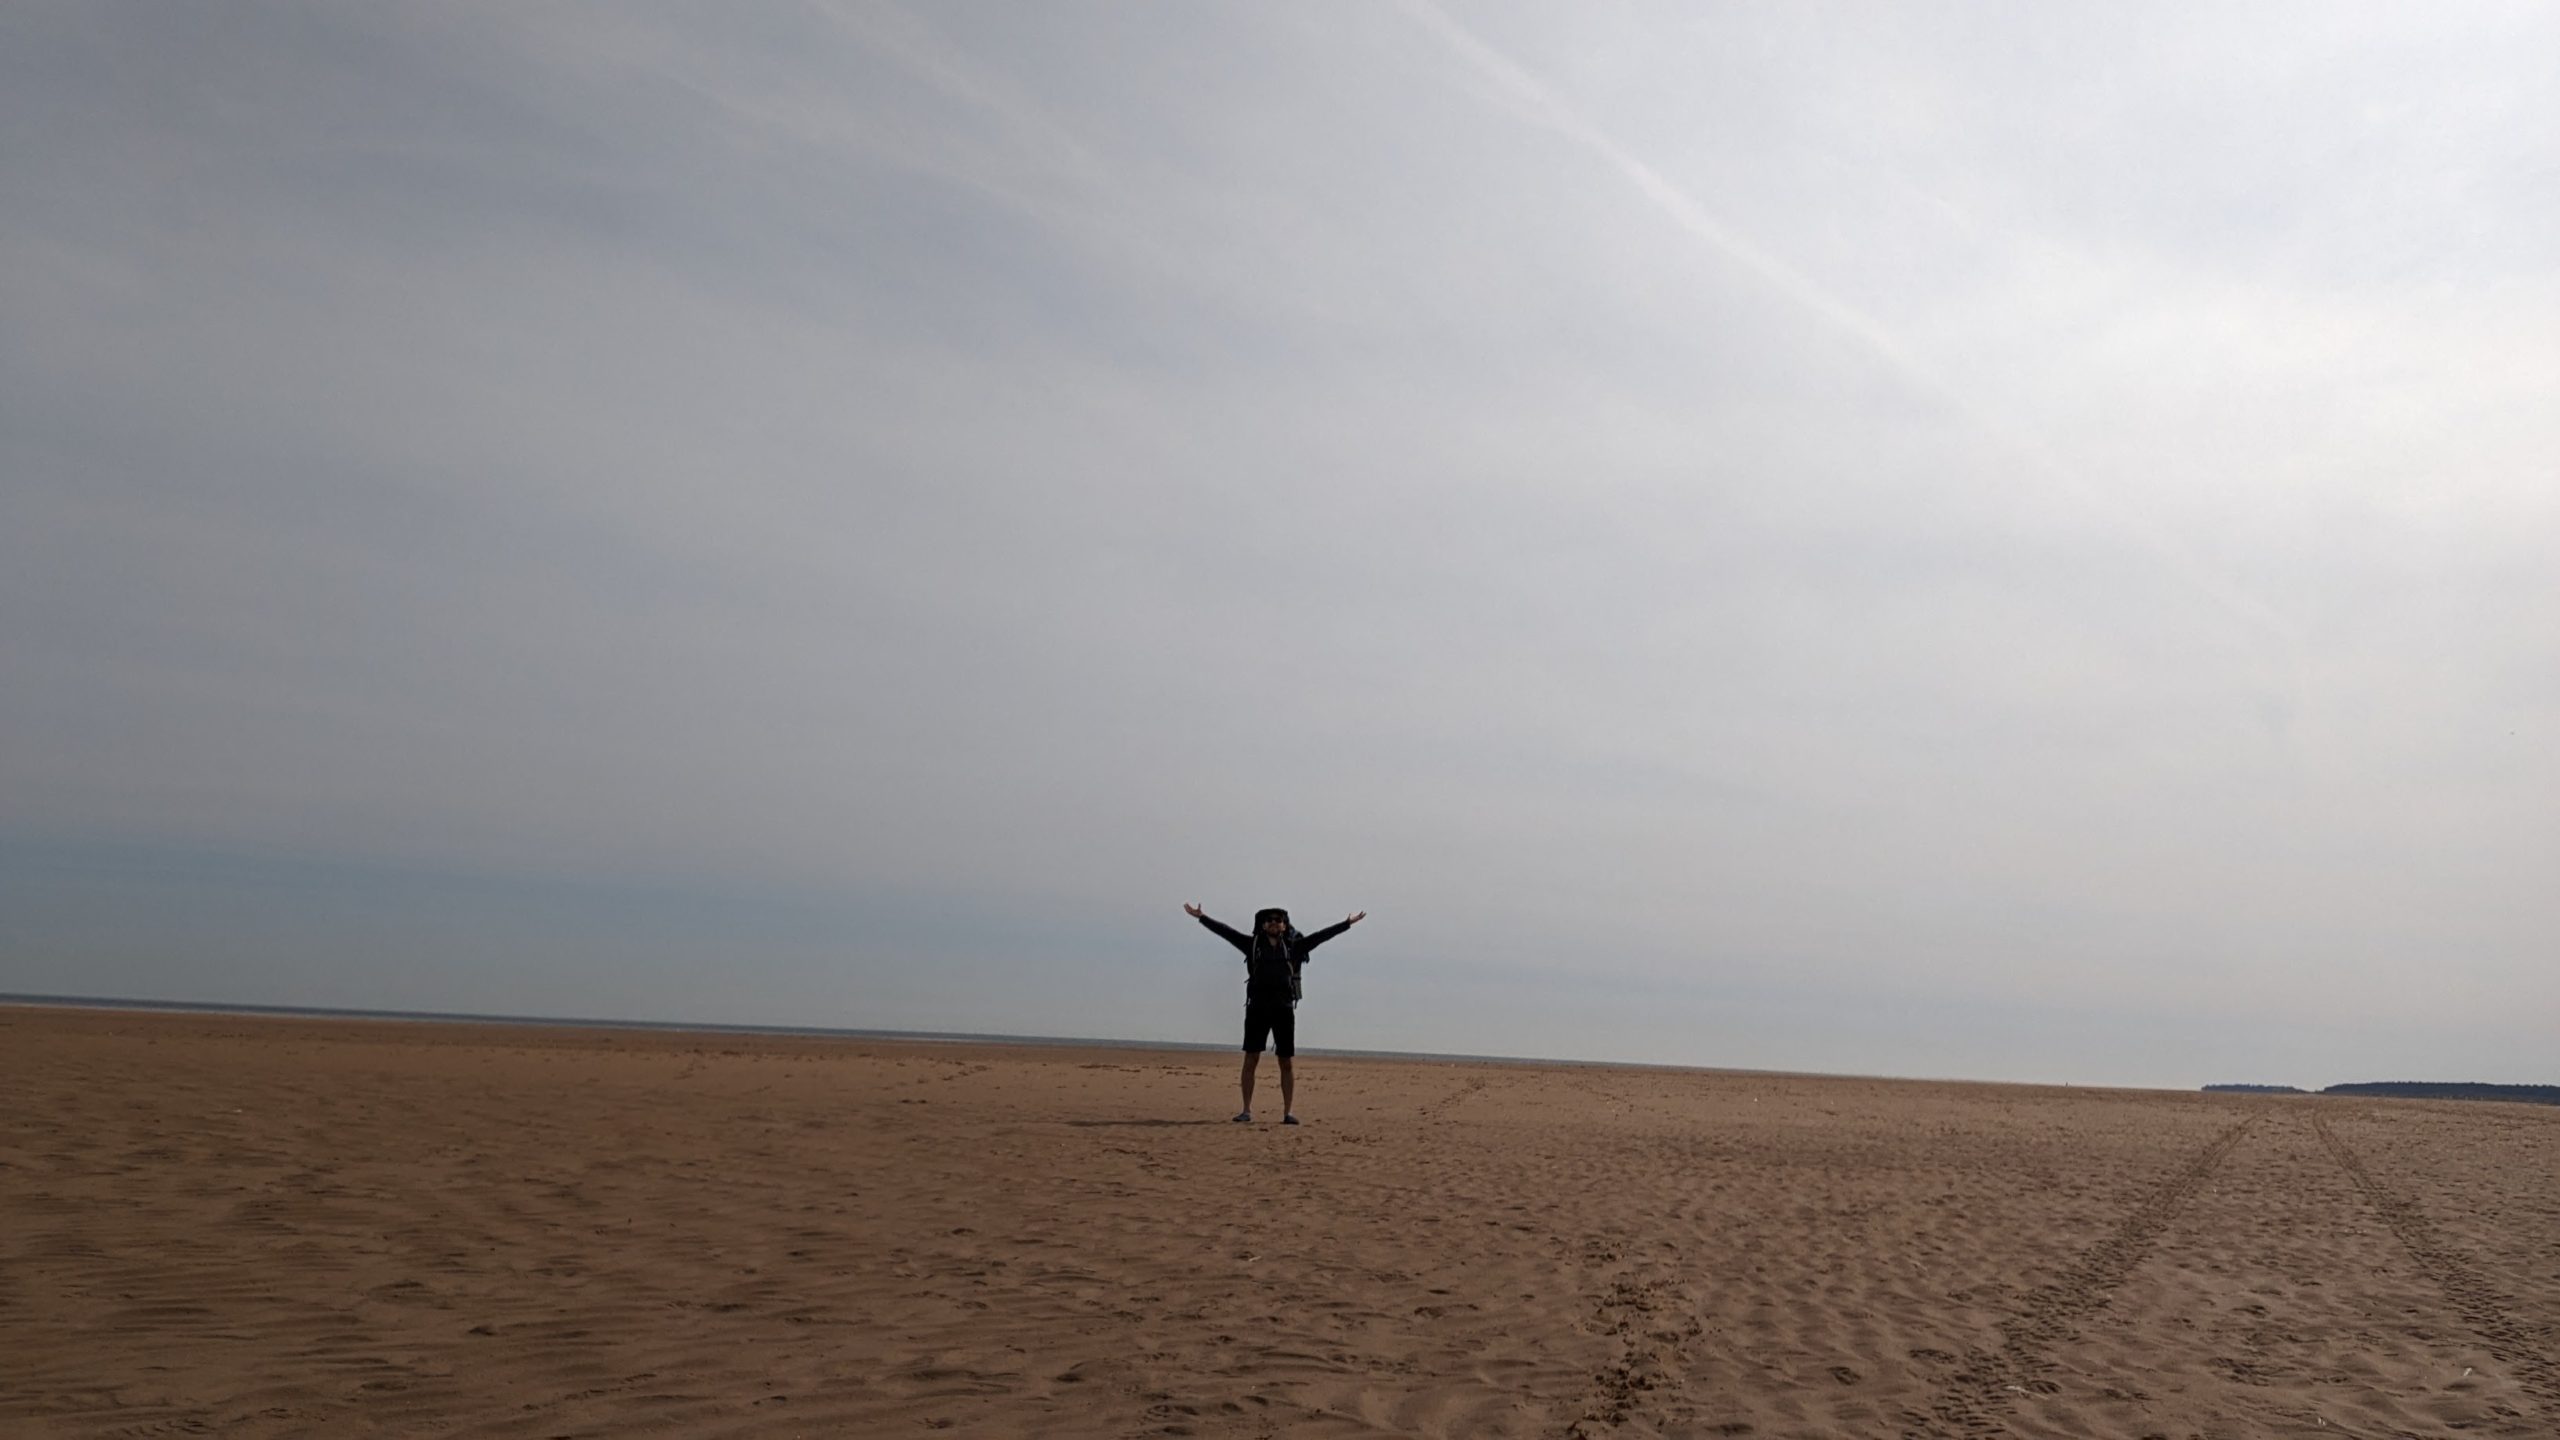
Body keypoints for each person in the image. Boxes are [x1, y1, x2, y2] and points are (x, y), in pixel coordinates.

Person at [1182, 902, 1365, 1124]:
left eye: (1278, 920)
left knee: (1285, 1062)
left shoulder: (1295, 947)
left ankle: (1287, 1112)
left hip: (1284, 1010)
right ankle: (1246, 1110)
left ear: (1285, 926)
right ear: (1262, 925)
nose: (1274, 923)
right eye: (1269, 920)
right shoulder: (1252, 945)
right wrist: (1202, 917)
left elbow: (1320, 937)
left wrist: (1346, 924)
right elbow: (1226, 933)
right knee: (1251, 1059)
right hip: (1257, 1009)